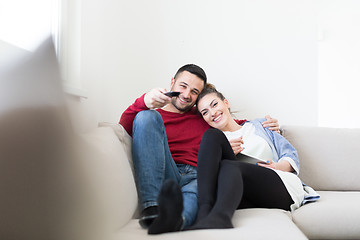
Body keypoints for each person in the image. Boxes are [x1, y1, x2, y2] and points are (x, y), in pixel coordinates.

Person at [119, 64, 280, 234]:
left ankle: (175, 220)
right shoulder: (156, 117)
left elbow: (233, 124)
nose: (187, 95)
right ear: (172, 82)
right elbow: (123, 128)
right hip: (167, 170)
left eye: (194, 92)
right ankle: (152, 208)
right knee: (146, 116)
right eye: (183, 86)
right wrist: (144, 102)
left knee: (195, 193)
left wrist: (266, 125)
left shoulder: (204, 115)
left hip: (199, 174)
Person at [187, 84, 319, 230]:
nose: (212, 113)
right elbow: (211, 177)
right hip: (243, 192)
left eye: (214, 104)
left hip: (279, 185)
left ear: (226, 103)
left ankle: (219, 217)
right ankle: (205, 213)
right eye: (205, 112)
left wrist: (278, 166)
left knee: (230, 166)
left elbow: (290, 154)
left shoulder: (260, 125)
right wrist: (224, 154)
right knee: (214, 140)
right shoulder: (215, 143)